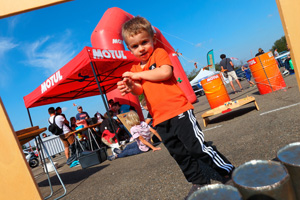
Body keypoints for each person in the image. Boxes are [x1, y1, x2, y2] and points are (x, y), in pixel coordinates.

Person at [117, 16, 235, 197]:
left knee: (196, 147)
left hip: (179, 110)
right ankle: (198, 180)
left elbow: (165, 73)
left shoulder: (159, 54)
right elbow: (140, 89)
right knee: (178, 153)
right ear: (129, 48)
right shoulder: (135, 69)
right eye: (135, 46)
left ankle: (227, 171)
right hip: (159, 117)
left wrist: (139, 76)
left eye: (144, 42)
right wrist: (131, 86)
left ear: (153, 40)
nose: (141, 48)